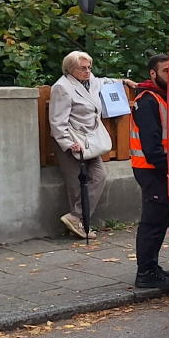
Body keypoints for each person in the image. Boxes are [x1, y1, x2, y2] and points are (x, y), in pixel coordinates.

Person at [48, 51, 134, 238]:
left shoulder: (91, 81)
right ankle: (80, 224)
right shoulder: (62, 88)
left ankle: (75, 217)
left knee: (99, 176)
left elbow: (104, 81)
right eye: (83, 68)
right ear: (70, 70)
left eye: (89, 67)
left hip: (90, 140)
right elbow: (57, 121)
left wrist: (123, 82)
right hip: (72, 140)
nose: (87, 71)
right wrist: (69, 143)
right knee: (76, 184)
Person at [129, 53, 169, 289]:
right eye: (165, 71)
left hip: (157, 168)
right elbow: (152, 146)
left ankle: (151, 266)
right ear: (153, 73)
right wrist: (168, 169)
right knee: (152, 222)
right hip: (152, 168)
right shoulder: (148, 100)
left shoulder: (162, 97)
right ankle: (145, 273)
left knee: (158, 221)